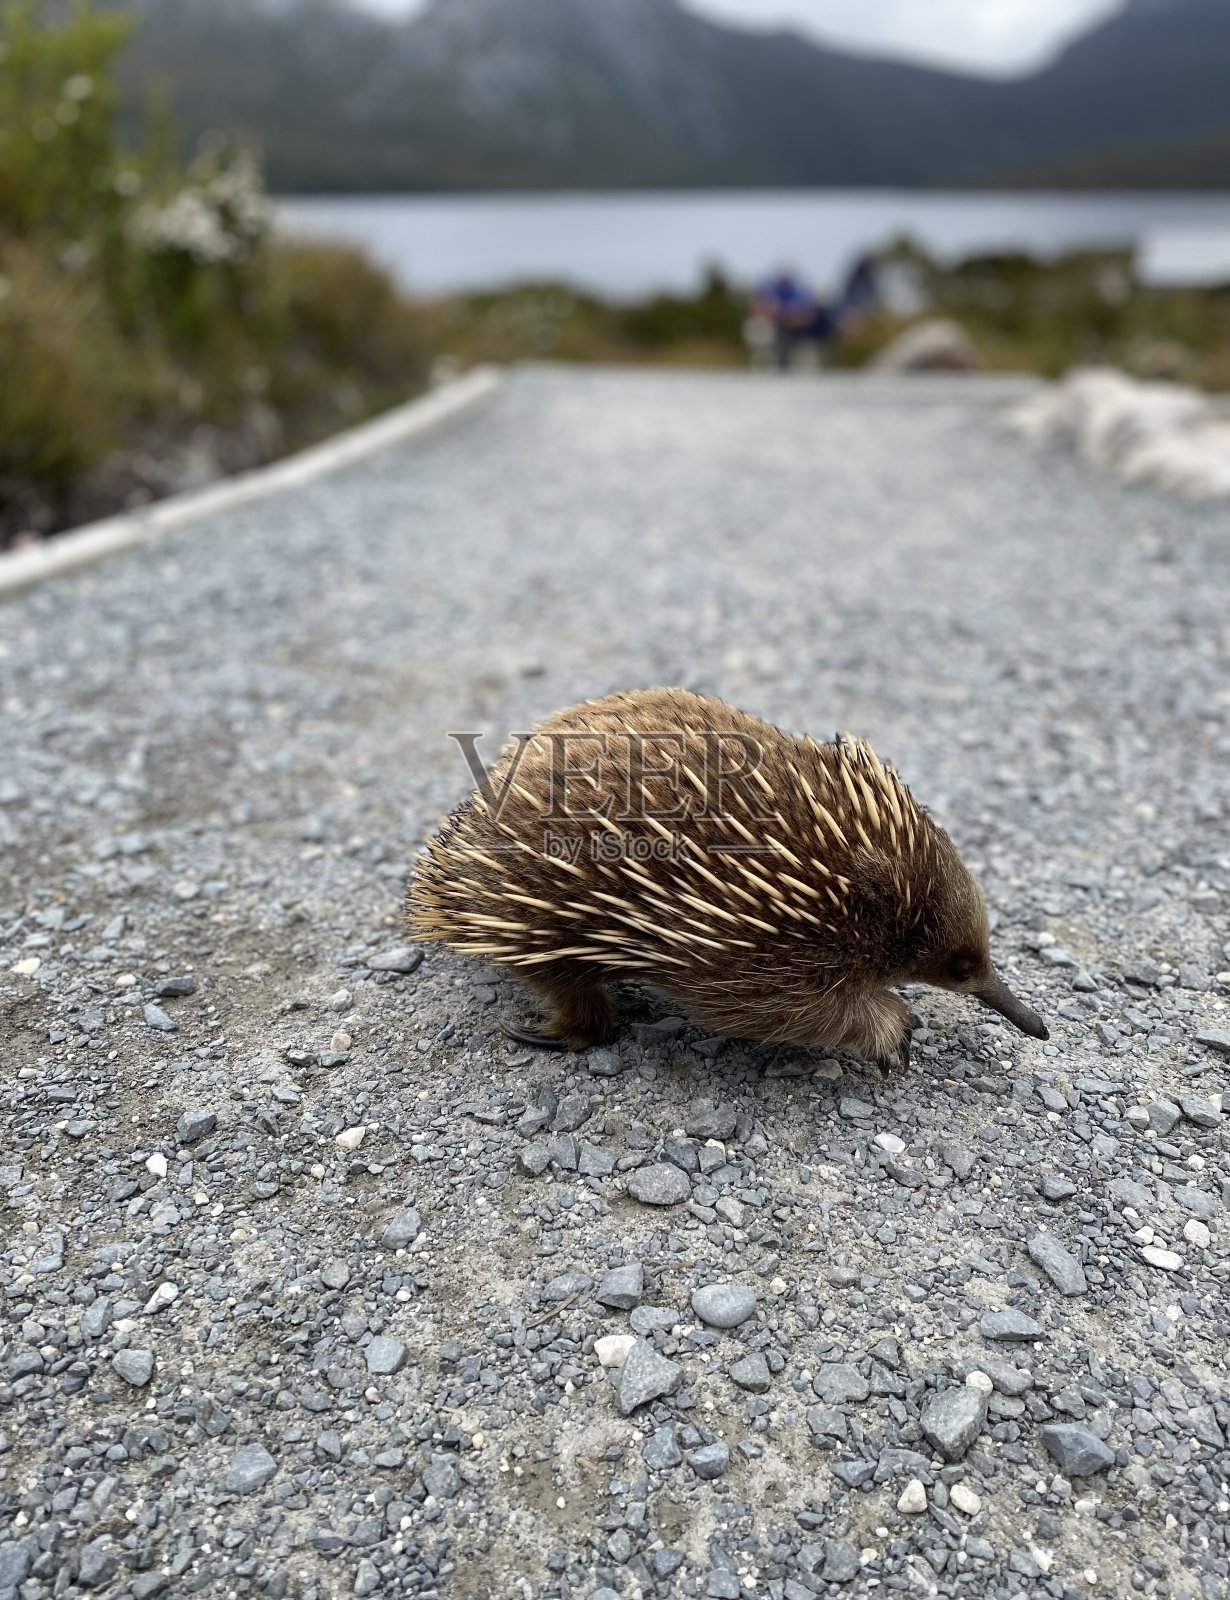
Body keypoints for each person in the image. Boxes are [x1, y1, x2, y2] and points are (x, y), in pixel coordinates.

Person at [748, 267, 837, 371]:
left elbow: (806, 315)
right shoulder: (773, 292)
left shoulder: (799, 292)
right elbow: (761, 309)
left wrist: (792, 318)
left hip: (799, 332)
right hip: (780, 329)